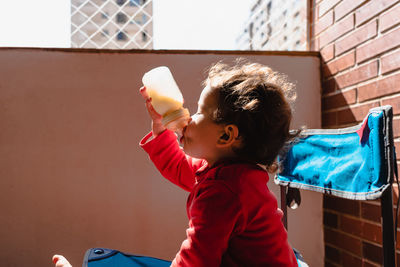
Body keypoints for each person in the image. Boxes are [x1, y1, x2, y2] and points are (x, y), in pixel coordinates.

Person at [52, 60, 302, 267]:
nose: (189, 117)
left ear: (226, 136)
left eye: (199, 112)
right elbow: (179, 167)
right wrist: (161, 130)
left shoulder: (226, 191)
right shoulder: (226, 173)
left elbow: (196, 260)